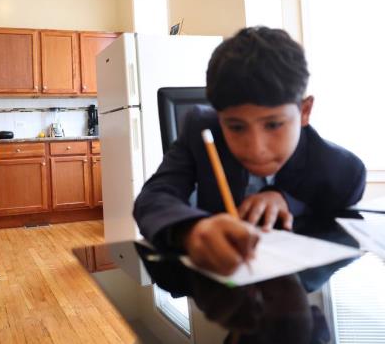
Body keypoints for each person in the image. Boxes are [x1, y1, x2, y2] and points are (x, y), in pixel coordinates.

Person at [133, 26, 366, 276]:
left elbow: (336, 212)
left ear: (305, 111)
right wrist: (191, 230)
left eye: (274, 124)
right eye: (236, 127)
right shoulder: (200, 127)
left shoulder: (342, 170)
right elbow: (154, 196)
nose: (257, 149)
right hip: (221, 286)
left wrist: (286, 199)